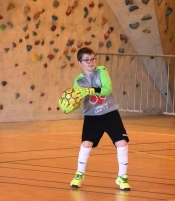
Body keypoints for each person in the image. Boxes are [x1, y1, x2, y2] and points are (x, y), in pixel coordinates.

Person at [58, 47, 130, 191]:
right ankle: (79, 174)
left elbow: (107, 88)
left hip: (110, 113)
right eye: (87, 60)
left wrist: (89, 90)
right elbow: (76, 100)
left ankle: (122, 177)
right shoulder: (78, 81)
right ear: (80, 63)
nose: (91, 62)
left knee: (121, 142)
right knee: (86, 144)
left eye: (93, 59)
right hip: (92, 116)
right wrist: (69, 107)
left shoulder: (101, 71)